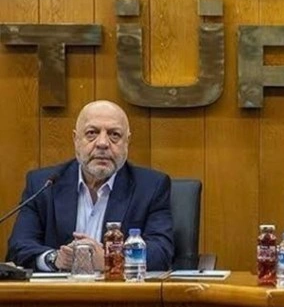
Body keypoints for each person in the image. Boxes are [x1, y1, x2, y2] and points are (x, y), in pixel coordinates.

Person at [6, 100, 174, 271]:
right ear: (76, 139)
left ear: (127, 142)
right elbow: (18, 248)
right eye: (92, 133)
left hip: (117, 287)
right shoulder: (44, 184)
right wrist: (55, 259)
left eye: (114, 135)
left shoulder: (151, 187)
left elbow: (161, 252)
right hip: (58, 287)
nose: (103, 143)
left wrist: (111, 259)